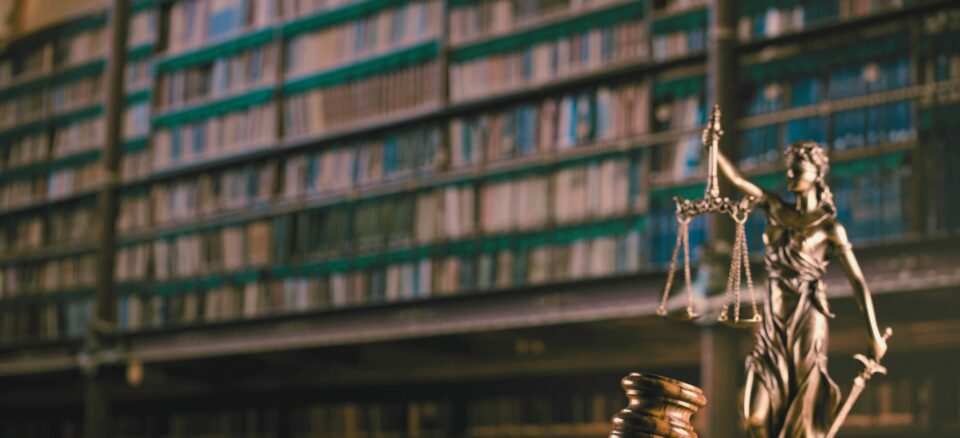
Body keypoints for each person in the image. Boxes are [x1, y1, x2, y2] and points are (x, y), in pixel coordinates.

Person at [712, 141, 888, 437]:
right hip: (772, 323)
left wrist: (874, 335)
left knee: (800, 423)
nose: (790, 174)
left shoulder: (830, 227)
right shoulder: (774, 207)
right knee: (754, 418)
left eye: (798, 168)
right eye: (788, 168)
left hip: (807, 320)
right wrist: (714, 149)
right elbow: (739, 181)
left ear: (817, 173)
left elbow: (858, 282)